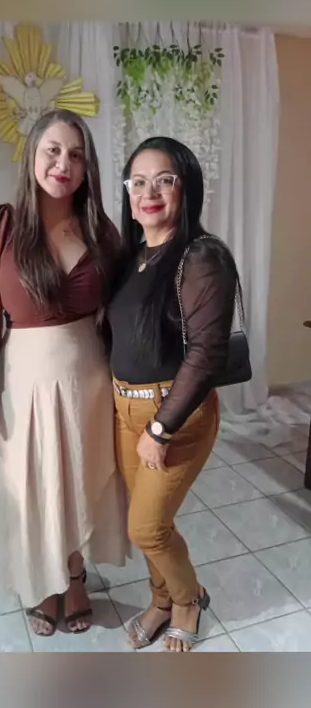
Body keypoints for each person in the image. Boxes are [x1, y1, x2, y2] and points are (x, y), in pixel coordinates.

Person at [0, 109, 129, 637]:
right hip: (27, 382)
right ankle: (43, 582)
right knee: (35, 485)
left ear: (87, 167)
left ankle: (73, 576)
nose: (62, 164)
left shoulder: (100, 231)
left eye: (76, 155)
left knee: (80, 481)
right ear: (32, 155)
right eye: (52, 150)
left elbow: (124, 310)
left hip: (90, 380)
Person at [106, 136, 238, 652]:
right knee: (149, 521)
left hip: (173, 415)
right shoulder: (132, 257)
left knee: (147, 527)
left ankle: (187, 599)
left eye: (164, 180)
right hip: (123, 408)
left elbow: (207, 353)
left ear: (187, 187)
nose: (150, 192)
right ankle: (160, 601)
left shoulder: (201, 256)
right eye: (138, 182)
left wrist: (160, 428)